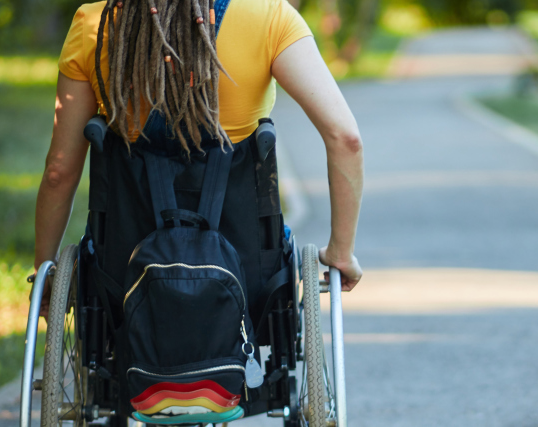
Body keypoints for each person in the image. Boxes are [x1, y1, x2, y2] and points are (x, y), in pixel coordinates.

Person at [32, 0, 364, 311]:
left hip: (122, 279)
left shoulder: (95, 25)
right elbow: (346, 138)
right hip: (247, 278)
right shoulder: (270, 18)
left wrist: (45, 271)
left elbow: (58, 172)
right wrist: (341, 252)